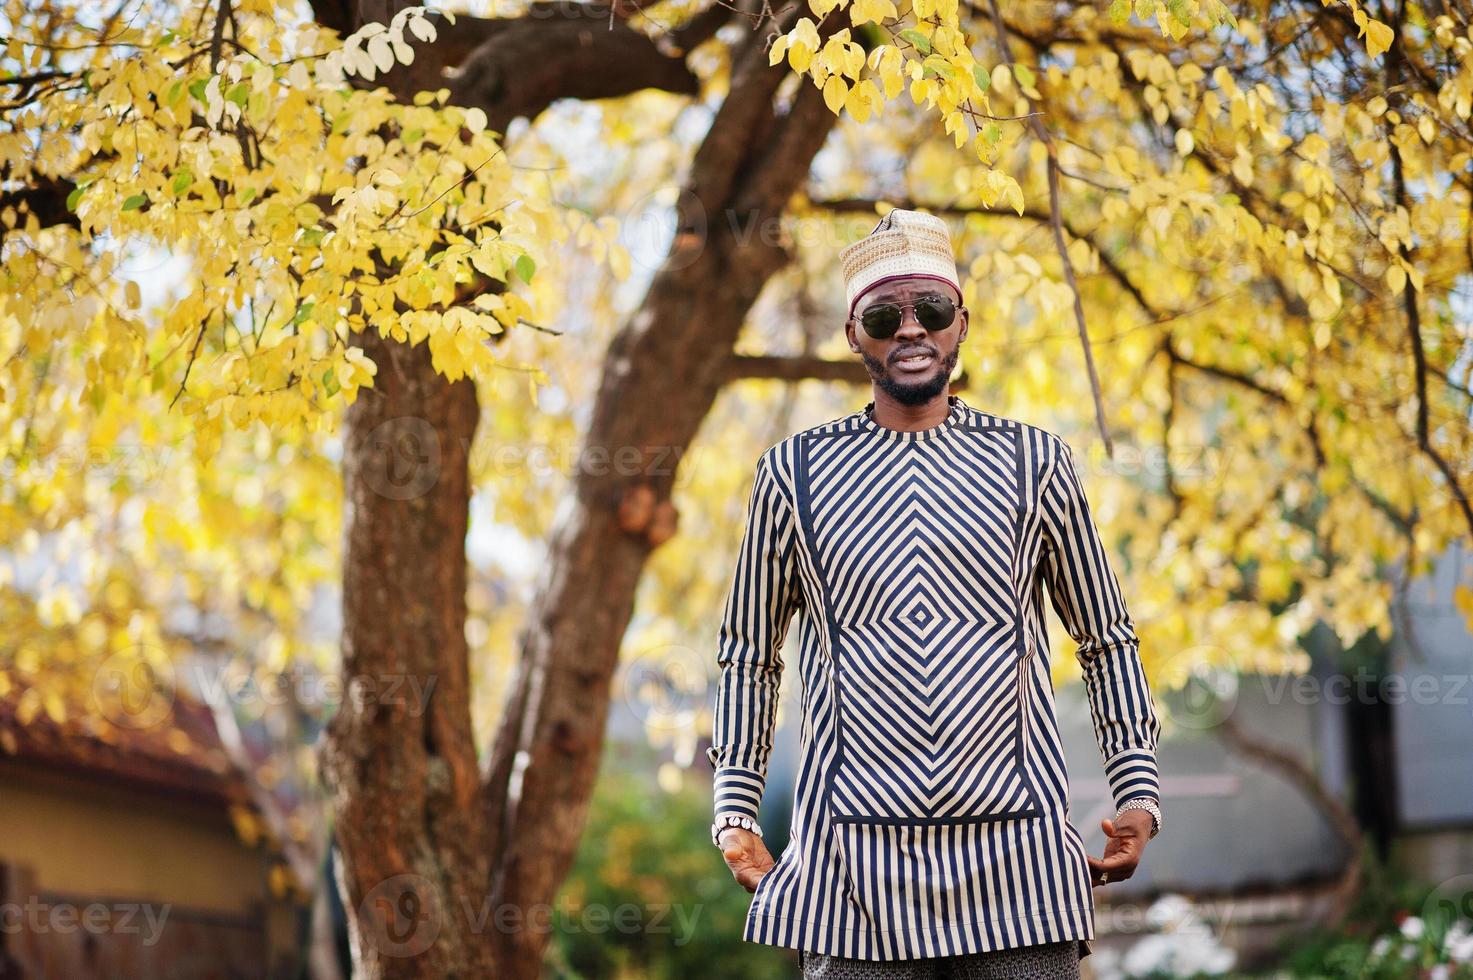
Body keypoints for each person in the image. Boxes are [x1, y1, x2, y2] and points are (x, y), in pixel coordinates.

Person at [706, 209, 1164, 978]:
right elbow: (749, 654)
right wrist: (734, 810)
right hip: (850, 872)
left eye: (933, 309)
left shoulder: (1034, 463)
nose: (910, 330)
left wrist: (1138, 790)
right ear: (854, 335)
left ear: (961, 323)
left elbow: (1105, 638)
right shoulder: (793, 475)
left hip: (1019, 867)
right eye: (884, 316)